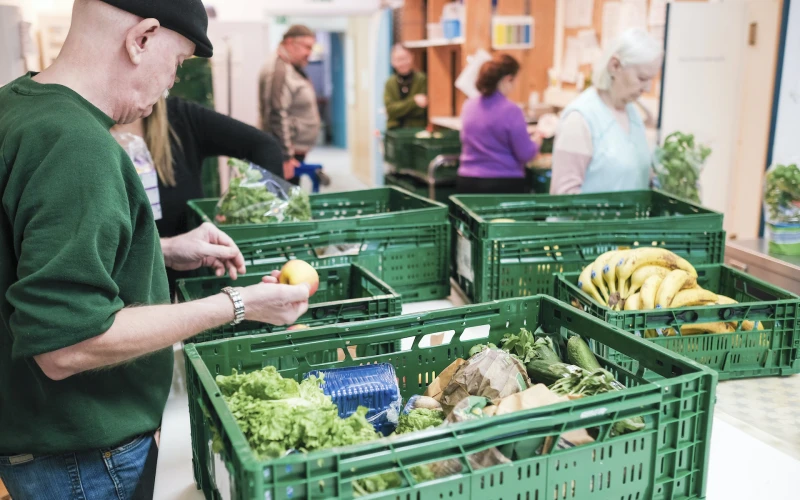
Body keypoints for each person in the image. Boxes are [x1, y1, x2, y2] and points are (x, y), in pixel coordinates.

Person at [0, 1, 310, 498]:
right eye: (180, 62)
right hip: (83, 455)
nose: (172, 83)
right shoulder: (78, 145)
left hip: (41, 440)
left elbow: (33, 255)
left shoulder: (18, 107)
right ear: (141, 38)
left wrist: (163, 249)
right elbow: (67, 344)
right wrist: (238, 304)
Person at [111, 95, 285, 295]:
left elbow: (266, 148)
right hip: (118, 294)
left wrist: (248, 212)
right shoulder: (85, 133)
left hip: (184, 292)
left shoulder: (180, 117)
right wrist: (166, 248)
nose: (174, 74)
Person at [550, 28, 662, 194]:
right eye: (642, 78)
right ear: (614, 65)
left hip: (627, 220)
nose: (647, 88)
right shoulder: (580, 118)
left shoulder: (633, 114)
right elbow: (564, 196)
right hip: (593, 221)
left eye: (651, 80)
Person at [457, 54, 542, 194]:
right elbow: (525, 154)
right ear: (508, 79)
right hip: (503, 184)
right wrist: (537, 141)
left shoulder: (468, 105)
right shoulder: (512, 110)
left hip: (467, 183)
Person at [258, 24, 329, 186]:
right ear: (290, 43)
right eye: (307, 47)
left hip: (293, 152)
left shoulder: (291, 66)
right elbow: (276, 113)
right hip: (286, 155)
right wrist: (285, 157)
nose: (309, 54)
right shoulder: (279, 70)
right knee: (284, 201)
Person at [384, 44, 428, 129]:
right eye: (399, 59)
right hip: (394, 130)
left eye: (405, 58)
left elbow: (421, 110)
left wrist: (399, 109)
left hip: (416, 129)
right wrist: (414, 101)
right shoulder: (389, 83)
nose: (403, 63)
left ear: (412, 57)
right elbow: (390, 110)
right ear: (392, 62)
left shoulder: (421, 79)